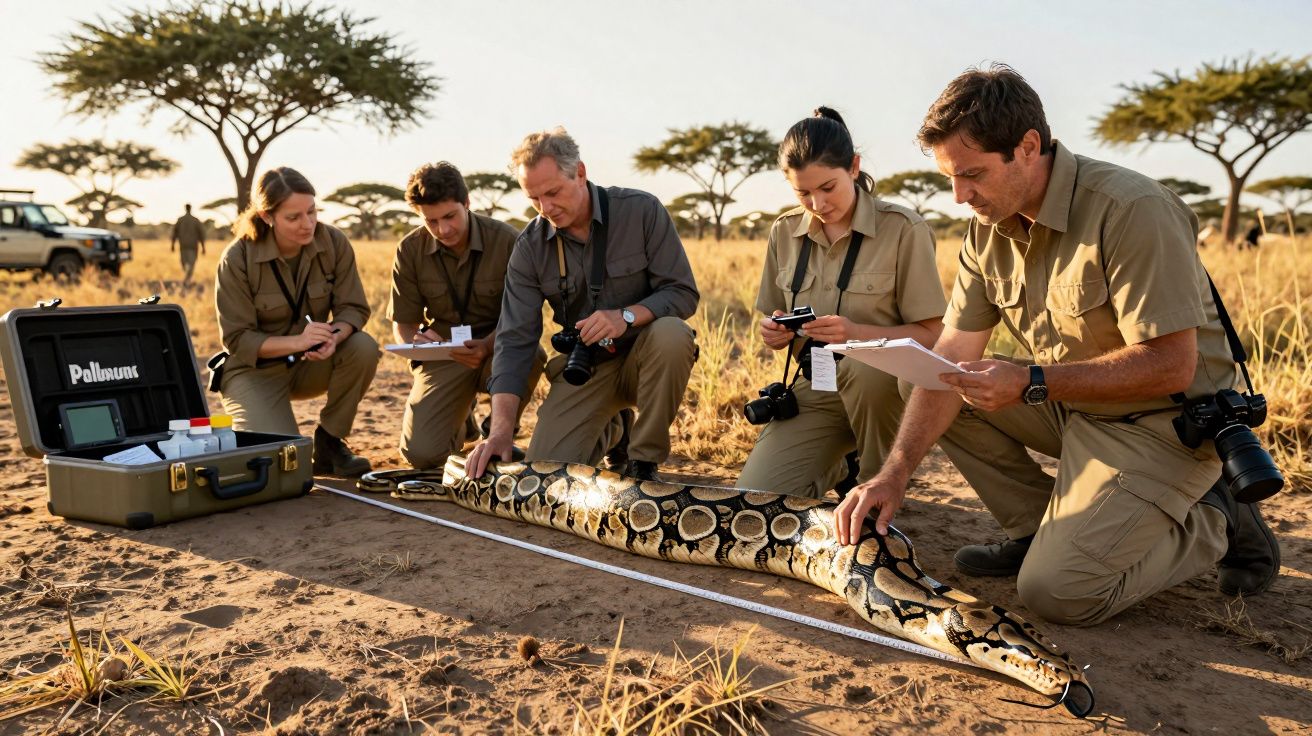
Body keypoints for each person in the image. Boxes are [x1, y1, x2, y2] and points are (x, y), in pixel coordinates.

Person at [833, 65, 1279, 626]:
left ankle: (1215, 519)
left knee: (1058, 593)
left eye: (972, 175)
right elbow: (947, 355)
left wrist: (1031, 382)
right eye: (950, 177)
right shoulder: (987, 227)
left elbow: (1171, 365)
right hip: (1072, 404)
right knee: (929, 378)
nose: (958, 196)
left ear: (1027, 147)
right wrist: (894, 471)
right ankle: (1036, 531)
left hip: (1166, 423)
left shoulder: (1131, 209)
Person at [466, 128, 700, 482]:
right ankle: (614, 429)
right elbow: (515, 338)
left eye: (553, 192)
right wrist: (500, 431)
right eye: (534, 199)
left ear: (580, 173)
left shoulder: (641, 210)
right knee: (547, 476)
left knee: (672, 333)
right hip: (585, 367)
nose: (546, 208)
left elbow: (682, 293)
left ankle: (643, 461)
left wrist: (625, 316)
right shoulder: (530, 246)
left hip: (648, 360)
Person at [737, 107, 945, 498]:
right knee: (756, 498)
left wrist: (856, 334)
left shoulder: (903, 229)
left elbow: (933, 335)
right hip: (817, 385)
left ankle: (876, 484)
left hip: (885, 393)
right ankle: (838, 465)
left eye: (828, 188)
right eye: (803, 193)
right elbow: (774, 311)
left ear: (853, 167)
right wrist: (774, 330)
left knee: (866, 371)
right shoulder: (783, 231)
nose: (817, 203)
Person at [214, 166, 379, 477]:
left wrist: (334, 337)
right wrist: (298, 341)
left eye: (312, 211)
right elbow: (237, 339)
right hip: (254, 371)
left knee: (363, 346)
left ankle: (330, 441)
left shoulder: (334, 242)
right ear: (266, 216)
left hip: (311, 363)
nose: (308, 224)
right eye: (294, 217)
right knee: (282, 467)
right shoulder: (237, 258)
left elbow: (353, 309)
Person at [388, 162, 545, 470]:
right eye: (430, 221)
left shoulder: (508, 241)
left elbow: (525, 319)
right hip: (445, 356)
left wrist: (487, 345)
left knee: (532, 354)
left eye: (450, 216)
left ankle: (500, 432)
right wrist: (419, 343)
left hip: (499, 348)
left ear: (467, 203)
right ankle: (463, 421)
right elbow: (403, 324)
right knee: (422, 456)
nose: (443, 230)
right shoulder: (409, 249)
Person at [170, 204, 206, 283]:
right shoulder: (194, 220)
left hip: (185, 246)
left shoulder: (181, 220)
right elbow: (201, 235)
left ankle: (187, 280)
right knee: (190, 264)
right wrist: (203, 247)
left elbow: (174, 234)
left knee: (185, 263)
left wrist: (172, 245)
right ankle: (187, 279)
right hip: (191, 246)